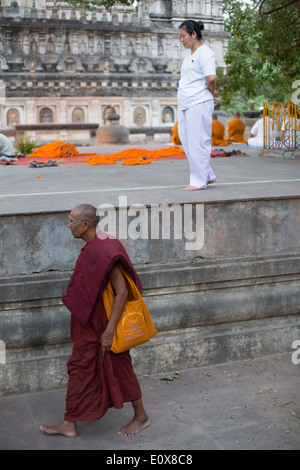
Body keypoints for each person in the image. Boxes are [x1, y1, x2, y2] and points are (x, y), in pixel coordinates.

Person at [40, 204, 150, 438]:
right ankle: (69, 423)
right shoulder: (94, 244)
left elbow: (121, 292)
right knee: (81, 367)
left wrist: (109, 331)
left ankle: (141, 416)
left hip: (103, 323)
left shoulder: (104, 249)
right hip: (90, 321)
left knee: (118, 366)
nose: (68, 226)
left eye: (71, 221)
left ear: (84, 225)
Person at [177, 20, 217, 191]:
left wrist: (211, 92)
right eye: (180, 37)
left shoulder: (205, 53)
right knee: (186, 141)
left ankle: (199, 181)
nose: (182, 40)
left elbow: (211, 78)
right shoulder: (189, 55)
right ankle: (207, 175)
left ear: (194, 34)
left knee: (198, 142)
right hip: (186, 102)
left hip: (199, 102)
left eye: (183, 36)